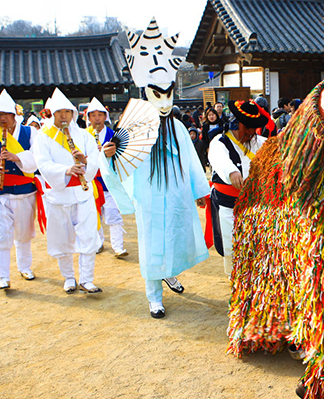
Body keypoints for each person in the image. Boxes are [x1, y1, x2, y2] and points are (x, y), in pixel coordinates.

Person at [103, 18, 211, 318]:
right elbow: (116, 161)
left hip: (175, 194)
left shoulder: (177, 126)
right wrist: (110, 155)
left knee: (176, 234)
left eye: (168, 93)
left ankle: (170, 271)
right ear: (145, 93)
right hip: (149, 196)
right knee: (152, 242)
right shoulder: (133, 127)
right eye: (157, 94)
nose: (164, 101)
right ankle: (154, 296)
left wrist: (199, 191)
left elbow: (190, 160)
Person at [34, 88, 103, 294]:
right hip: (59, 194)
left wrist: (85, 161)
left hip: (83, 192)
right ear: (52, 113)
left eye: (67, 111)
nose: (63, 116)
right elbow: (43, 163)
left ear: (73, 113)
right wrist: (65, 169)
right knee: (61, 237)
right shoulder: (42, 137)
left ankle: (87, 279)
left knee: (89, 235)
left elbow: (95, 159)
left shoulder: (84, 135)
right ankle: (68, 277)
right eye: (59, 112)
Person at [0, 89, 39, 290]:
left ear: (15, 115)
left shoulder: (30, 132)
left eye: (5, 114)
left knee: (23, 232)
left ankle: (25, 267)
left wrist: (18, 157)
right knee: (1, 234)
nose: (2, 118)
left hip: (24, 189)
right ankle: (3, 275)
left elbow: (37, 156)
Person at [207, 99, 268, 274]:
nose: (250, 132)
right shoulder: (220, 141)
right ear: (236, 123)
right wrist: (232, 172)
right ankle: (234, 279)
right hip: (228, 204)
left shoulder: (258, 141)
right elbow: (219, 159)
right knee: (231, 243)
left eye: (253, 128)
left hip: (254, 202)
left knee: (255, 241)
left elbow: (276, 148)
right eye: (247, 127)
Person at [85, 97, 128, 258]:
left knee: (112, 212)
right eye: (93, 115)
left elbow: (121, 157)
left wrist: (107, 153)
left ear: (105, 117)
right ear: (88, 118)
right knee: (93, 213)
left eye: (100, 115)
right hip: (91, 181)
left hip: (109, 181)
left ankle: (118, 246)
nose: (97, 118)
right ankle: (98, 242)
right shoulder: (83, 136)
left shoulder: (113, 135)